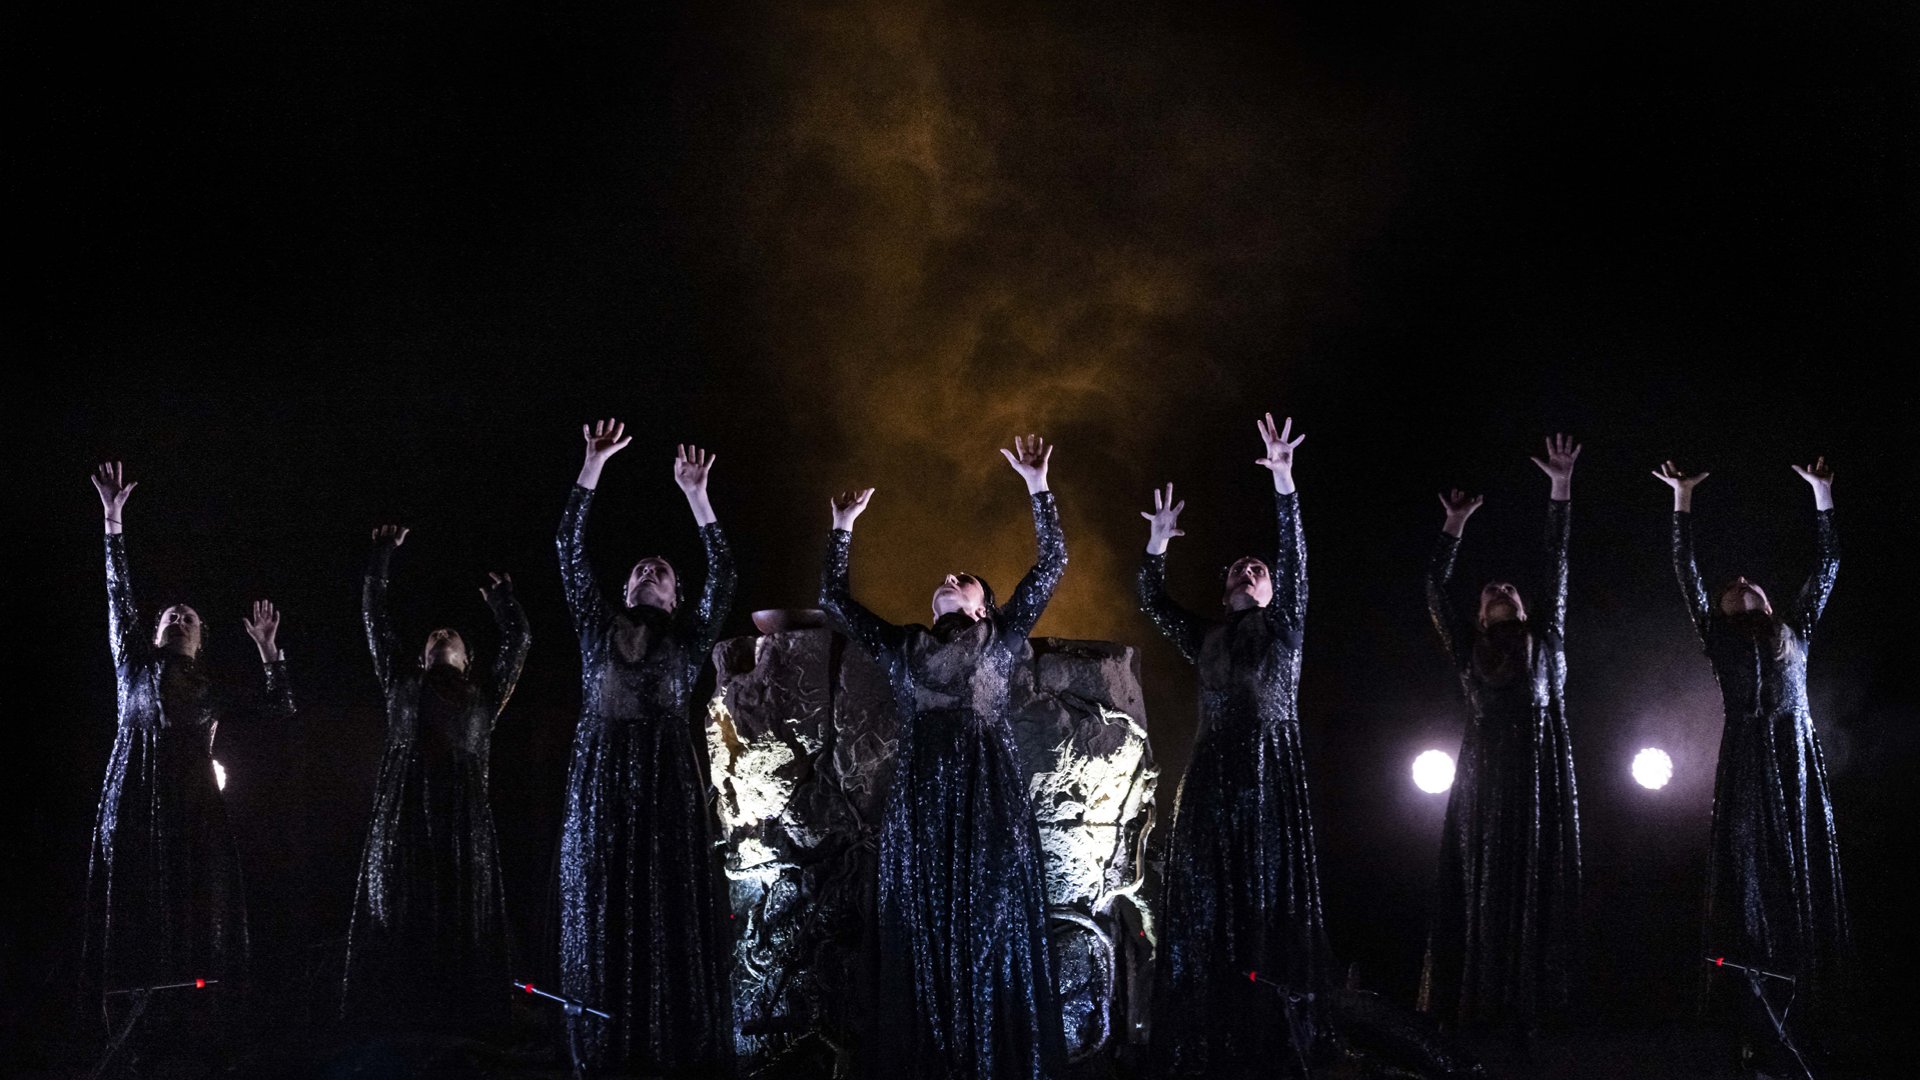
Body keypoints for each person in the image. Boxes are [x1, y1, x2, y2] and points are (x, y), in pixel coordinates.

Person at [818, 435, 1067, 1080]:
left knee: (990, 921)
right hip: (922, 799)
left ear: (983, 605)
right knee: (921, 924)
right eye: (945, 580)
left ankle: (991, 1056)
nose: (951, 579)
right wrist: (843, 529)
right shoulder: (904, 645)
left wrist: (1038, 485)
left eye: (966, 580)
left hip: (988, 797)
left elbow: (1052, 563)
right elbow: (835, 602)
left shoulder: (1000, 636)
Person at [1138, 413, 1331, 1078]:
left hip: (1270, 777)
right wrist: (1157, 543)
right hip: (1212, 778)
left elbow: (1296, 556)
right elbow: (1153, 601)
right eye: (1239, 569)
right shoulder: (1207, 637)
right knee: (1207, 901)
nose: (1250, 570)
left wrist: (1284, 482)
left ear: (1272, 590)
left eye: (1259, 568)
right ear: (1226, 592)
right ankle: (1205, 1031)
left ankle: (1273, 1030)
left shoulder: (1286, 628)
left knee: (1266, 898)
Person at [557, 421, 735, 1074]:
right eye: (639, 569)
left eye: (661, 571)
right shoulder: (595, 626)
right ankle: (602, 1046)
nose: (648, 570)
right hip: (601, 780)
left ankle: (672, 1043)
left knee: (664, 906)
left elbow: (724, 575)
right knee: (603, 901)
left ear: (675, 596)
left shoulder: (688, 639)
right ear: (626, 590)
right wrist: (591, 465)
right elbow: (568, 548)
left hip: (666, 783)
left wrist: (697, 496)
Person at [83, 462, 295, 1008]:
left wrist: (269, 653)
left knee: (196, 901)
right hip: (134, 799)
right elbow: (118, 593)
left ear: (199, 640)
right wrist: (112, 519)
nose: (179, 619)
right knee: (136, 901)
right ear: (155, 633)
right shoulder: (132, 665)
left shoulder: (210, 689)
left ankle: (199, 1009)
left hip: (193, 806)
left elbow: (279, 709)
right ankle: (126, 1009)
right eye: (171, 616)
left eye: (189, 618)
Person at [1656, 457, 1848, 1053]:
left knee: (1800, 867)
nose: (1740, 580)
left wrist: (1822, 495)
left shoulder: (1796, 629)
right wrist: (1682, 500)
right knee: (1749, 877)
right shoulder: (1717, 637)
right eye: (1730, 588)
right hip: (1744, 758)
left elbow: (1827, 566)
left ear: (1766, 601)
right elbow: (1686, 574)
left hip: (1794, 755)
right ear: (1721, 608)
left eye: (1750, 584)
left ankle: (1810, 1008)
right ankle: (1750, 1012)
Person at [1419, 435, 1582, 1033]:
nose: (1501, 591)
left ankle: (1538, 1005)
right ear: (1480, 614)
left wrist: (1560, 487)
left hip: (1542, 761)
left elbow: (1557, 562)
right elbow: (1435, 589)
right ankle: (1481, 1001)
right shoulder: (1470, 647)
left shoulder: (1547, 636)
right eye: (1490, 592)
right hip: (1485, 768)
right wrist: (1454, 526)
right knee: (1486, 878)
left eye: (1509, 589)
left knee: (1538, 873)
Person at [342, 524, 529, 1027]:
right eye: (433, 636)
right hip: (405, 808)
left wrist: (505, 605)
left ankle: (462, 1010)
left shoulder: (485, 696)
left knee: (459, 905)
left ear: (467, 660)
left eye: (452, 636)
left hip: (462, 816)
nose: (442, 634)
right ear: (422, 658)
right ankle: (398, 1008)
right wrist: (381, 557)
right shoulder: (400, 684)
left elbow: (520, 641)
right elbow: (374, 620)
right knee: (405, 899)